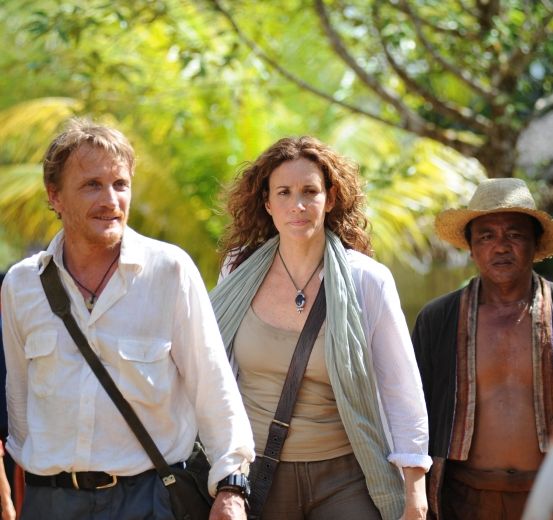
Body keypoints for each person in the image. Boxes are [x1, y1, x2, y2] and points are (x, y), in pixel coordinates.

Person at [1, 118, 255, 520]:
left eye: (120, 184)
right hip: (50, 501)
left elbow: (213, 386)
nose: (110, 200)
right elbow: (20, 403)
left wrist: (231, 488)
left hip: (149, 499)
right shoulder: (21, 284)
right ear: (55, 196)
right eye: (92, 185)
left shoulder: (170, 271)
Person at [210, 136, 432, 520]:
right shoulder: (237, 270)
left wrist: (415, 490)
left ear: (329, 199)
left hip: (344, 476)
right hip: (256, 474)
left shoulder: (366, 280)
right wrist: (227, 478)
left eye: (309, 191)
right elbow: (212, 375)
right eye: (284, 192)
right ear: (267, 202)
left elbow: (401, 388)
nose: (297, 205)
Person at [412, 178, 553, 520]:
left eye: (514, 234)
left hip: (545, 495)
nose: (500, 247)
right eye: (486, 237)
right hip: (465, 498)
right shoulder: (439, 319)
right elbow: (411, 410)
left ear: (535, 244)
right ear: (471, 249)